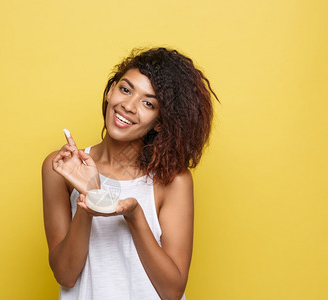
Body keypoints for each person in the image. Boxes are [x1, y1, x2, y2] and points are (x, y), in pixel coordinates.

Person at [42, 47, 218, 300]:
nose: (128, 106)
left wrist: (136, 217)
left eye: (148, 103)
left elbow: (173, 291)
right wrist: (90, 197)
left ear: (159, 121)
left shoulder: (172, 181)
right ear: (111, 90)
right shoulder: (60, 168)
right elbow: (66, 274)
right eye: (125, 89)